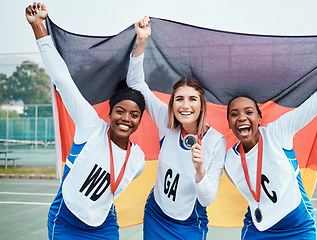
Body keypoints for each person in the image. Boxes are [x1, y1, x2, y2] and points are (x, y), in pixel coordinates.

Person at [224, 26, 317, 239]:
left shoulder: (278, 132)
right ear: (230, 123)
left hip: (298, 229)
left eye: (248, 111)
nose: (241, 117)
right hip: (258, 230)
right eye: (234, 114)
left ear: (259, 118)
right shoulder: (229, 160)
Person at [26, 3, 147, 239]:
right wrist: (38, 26)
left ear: (140, 120)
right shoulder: (90, 126)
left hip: (104, 225)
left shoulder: (138, 160)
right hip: (66, 222)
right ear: (110, 113)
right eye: (120, 111)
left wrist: (141, 42)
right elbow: (62, 80)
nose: (126, 119)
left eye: (134, 115)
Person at [127, 16, 226, 239]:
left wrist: (200, 169)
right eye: (179, 99)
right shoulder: (166, 119)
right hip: (156, 214)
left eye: (192, 99)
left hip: (189, 223)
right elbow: (136, 84)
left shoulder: (216, 141)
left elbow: (207, 199)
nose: (185, 105)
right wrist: (142, 41)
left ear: (201, 105)